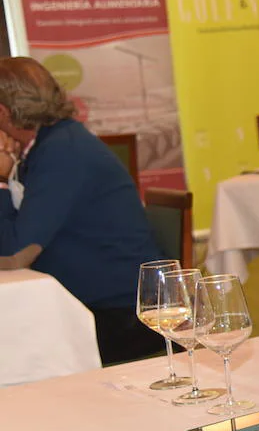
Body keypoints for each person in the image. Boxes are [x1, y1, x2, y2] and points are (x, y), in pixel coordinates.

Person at [0, 57, 166, 364]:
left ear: (3, 113)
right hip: (95, 304)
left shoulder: (61, 152)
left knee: (12, 351)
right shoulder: (51, 143)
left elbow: (14, 254)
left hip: (123, 317)